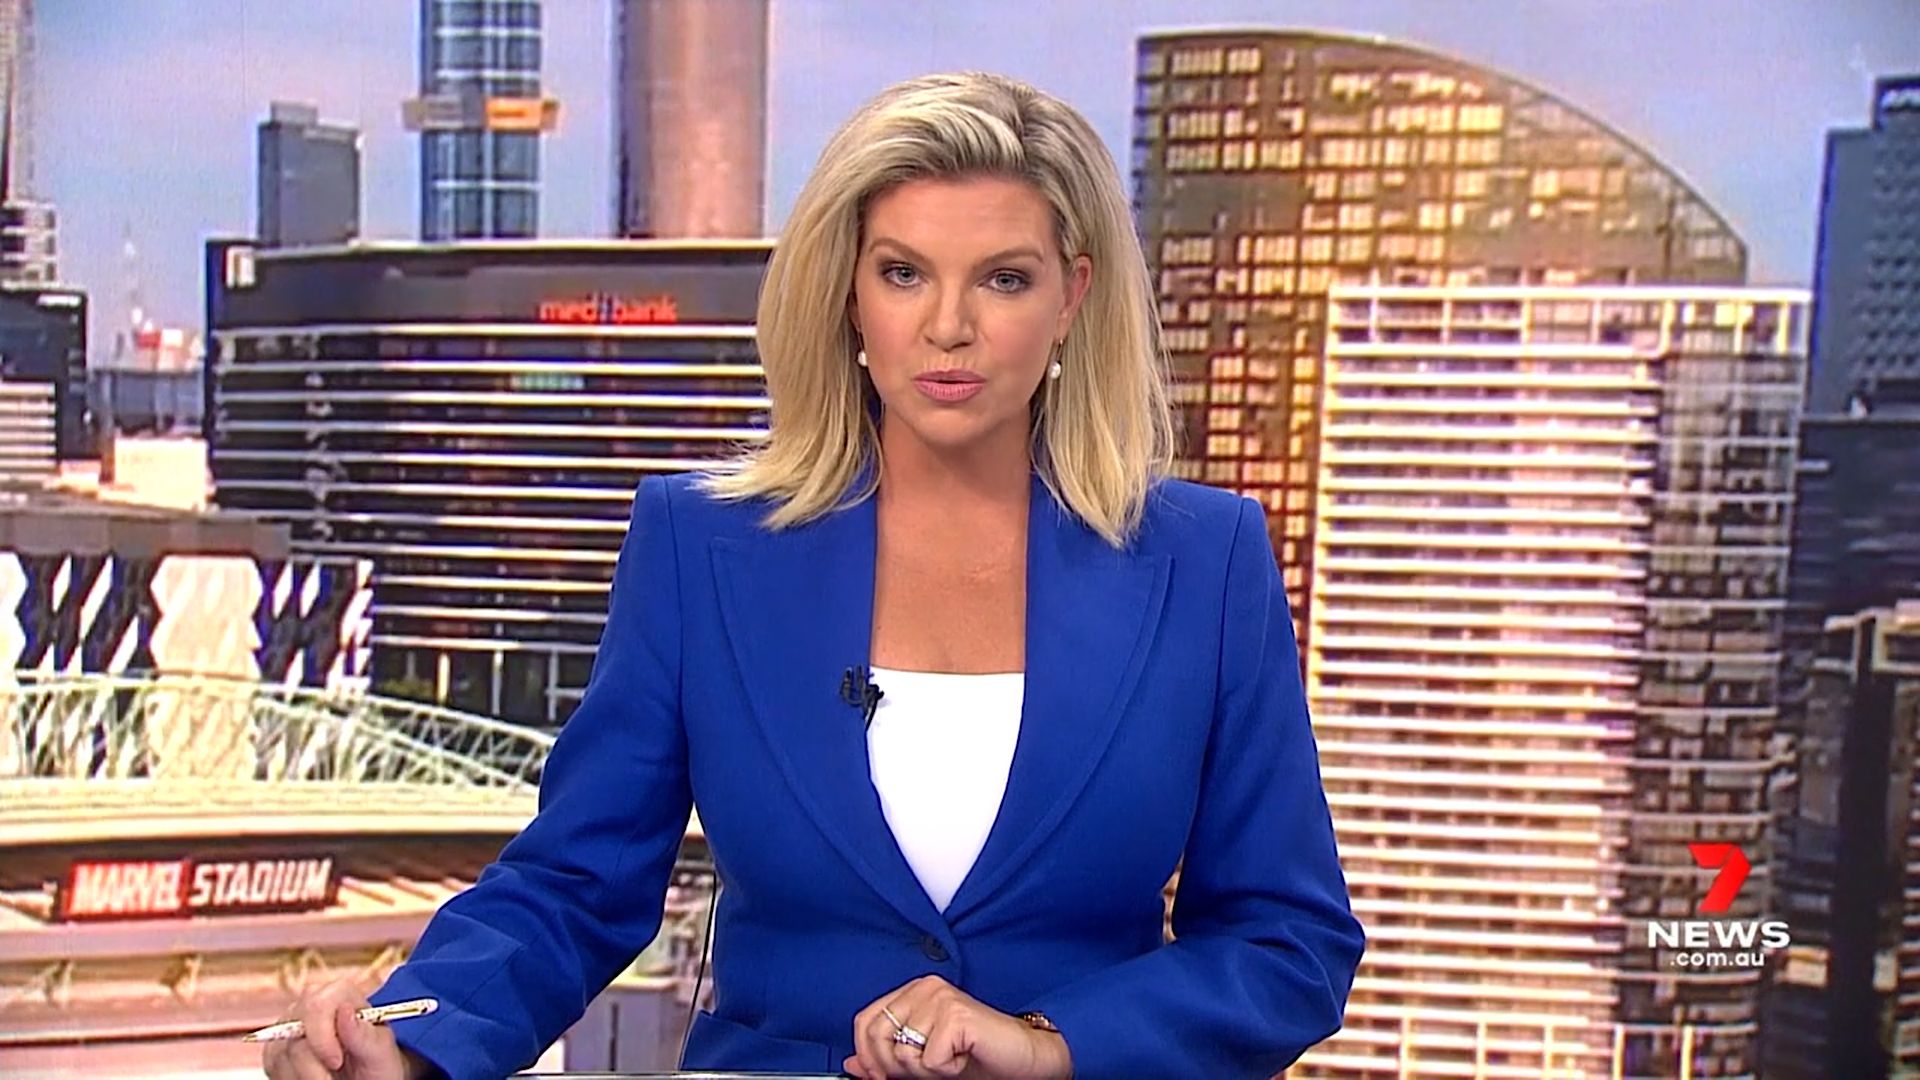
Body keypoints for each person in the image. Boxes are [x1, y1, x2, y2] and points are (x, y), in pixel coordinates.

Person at [263, 70, 1363, 1080]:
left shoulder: (1203, 561)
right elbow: (579, 882)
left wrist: (1049, 1044)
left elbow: (1287, 942)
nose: (949, 327)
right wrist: (414, 1039)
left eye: (1004, 279)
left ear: (1070, 298)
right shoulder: (702, 547)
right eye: (903, 273)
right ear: (848, 292)